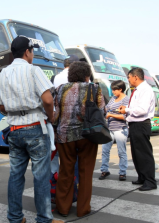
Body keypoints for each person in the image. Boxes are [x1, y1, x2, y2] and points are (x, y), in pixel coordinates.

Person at [0, 36, 62, 223]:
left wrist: (15, 108)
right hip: (35, 128)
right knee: (40, 176)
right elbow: (48, 100)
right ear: (27, 52)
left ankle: (15, 218)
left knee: (16, 175)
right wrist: (51, 116)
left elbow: (0, 107)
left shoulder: (1, 75)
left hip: (14, 129)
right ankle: (44, 218)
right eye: (32, 52)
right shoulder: (33, 70)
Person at [54, 61, 105, 217]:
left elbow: (56, 114)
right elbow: (101, 111)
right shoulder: (94, 88)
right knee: (85, 173)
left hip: (65, 136)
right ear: (87, 75)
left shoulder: (60, 89)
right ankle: (83, 209)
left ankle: (62, 208)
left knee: (65, 172)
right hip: (87, 135)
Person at [119, 67, 157, 191]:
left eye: (129, 77)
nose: (128, 80)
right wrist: (127, 108)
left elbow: (142, 110)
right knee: (136, 154)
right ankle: (142, 177)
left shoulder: (145, 90)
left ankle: (150, 181)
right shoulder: (137, 90)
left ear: (135, 77)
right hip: (135, 124)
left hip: (141, 124)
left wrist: (127, 110)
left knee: (144, 154)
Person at [99, 80, 129, 181]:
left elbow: (125, 116)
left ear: (120, 89)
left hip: (120, 129)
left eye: (114, 90)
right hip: (109, 129)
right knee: (105, 150)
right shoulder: (113, 98)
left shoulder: (126, 99)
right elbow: (106, 108)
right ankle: (104, 170)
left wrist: (111, 114)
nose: (113, 92)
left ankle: (122, 172)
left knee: (121, 152)